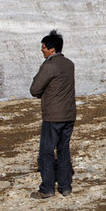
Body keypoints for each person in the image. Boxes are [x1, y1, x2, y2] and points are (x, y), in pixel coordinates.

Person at [30, 30, 76, 199]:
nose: (42, 50)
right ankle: (65, 187)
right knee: (64, 151)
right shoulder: (69, 64)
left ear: (51, 49)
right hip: (69, 114)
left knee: (46, 153)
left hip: (52, 116)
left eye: (43, 47)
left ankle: (47, 188)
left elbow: (35, 89)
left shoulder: (49, 66)